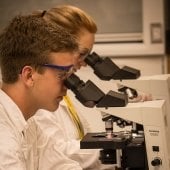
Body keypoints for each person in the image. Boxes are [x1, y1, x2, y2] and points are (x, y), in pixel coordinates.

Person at [33, 5, 115, 170]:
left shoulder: (61, 89)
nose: (85, 63)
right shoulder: (38, 94)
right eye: (83, 53)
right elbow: (57, 153)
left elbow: (83, 138)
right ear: (56, 45)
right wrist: (114, 149)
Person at [0, 13, 84, 170]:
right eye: (62, 75)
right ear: (29, 76)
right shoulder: (3, 139)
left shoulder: (31, 121)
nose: (68, 86)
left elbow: (60, 165)